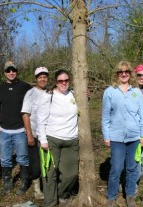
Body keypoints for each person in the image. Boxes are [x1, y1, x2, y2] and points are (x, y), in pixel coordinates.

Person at [102, 61, 143, 207]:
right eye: (121, 72)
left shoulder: (136, 92)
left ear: (130, 74)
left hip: (134, 137)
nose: (124, 74)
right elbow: (105, 116)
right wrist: (106, 135)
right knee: (116, 167)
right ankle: (111, 196)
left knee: (132, 167)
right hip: (116, 137)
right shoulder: (110, 92)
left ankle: (130, 195)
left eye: (127, 71)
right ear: (117, 74)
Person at [37, 69, 79, 207]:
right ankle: (50, 202)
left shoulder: (74, 95)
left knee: (71, 174)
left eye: (66, 80)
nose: (64, 83)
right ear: (56, 82)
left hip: (71, 140)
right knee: (50, 173)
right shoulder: (48, 96)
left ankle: (60, 194)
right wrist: (43, 140)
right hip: (52, 138)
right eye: (61, 81)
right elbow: (40, 119)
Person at [0, 61, 32, 195]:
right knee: (5, 159)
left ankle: (24, 183)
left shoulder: (25, 87)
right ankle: (7, 184)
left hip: (20, 130)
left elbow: (34, 104)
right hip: (4, 131)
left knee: (22, 158)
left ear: (16, 71)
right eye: (8, 70)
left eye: (13, 70)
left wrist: (29, 126)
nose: (11, 72)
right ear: (4, 73)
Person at [21, 67, 49, 200]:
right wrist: (29, 134)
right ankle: (37, 190)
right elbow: (25, 115)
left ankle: (49, 187)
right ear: (36, 79)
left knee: (48, 163)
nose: (43, 79)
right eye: (40, 77)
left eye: (45, 77)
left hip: (49, 135)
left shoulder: (51, 93)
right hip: (35, 135)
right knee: (36, 165)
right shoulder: (31, 93)